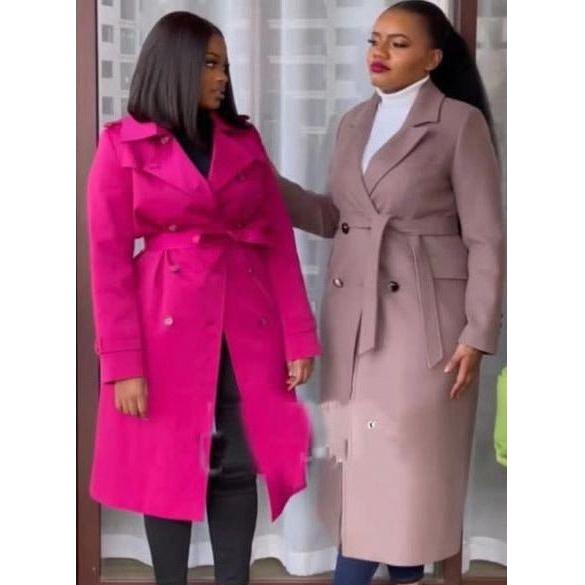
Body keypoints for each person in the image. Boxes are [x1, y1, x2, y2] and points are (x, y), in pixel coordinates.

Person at [86, 12, 320, 585]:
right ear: (176, 66)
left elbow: (277, 242)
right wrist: (123, 364)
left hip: (246, 321)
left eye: (225, 67)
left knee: (237, 464)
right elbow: (108, 262)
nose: (221, 78)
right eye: (211, 64)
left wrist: (298, 335)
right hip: (162, 325)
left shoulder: (243, 141)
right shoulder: (121, 145)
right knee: (167, 470)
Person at [277, 2, 505, 584]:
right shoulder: (354, 122)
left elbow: (485, 236)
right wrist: (267, 186)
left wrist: (478, 333)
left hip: (424, 324)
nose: (378, 52)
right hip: (352, 316)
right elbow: (338, 217)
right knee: (360, 466)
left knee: (403, 475)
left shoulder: (458, 123)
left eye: (398, 43)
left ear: (432, 58)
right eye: (375, 40)